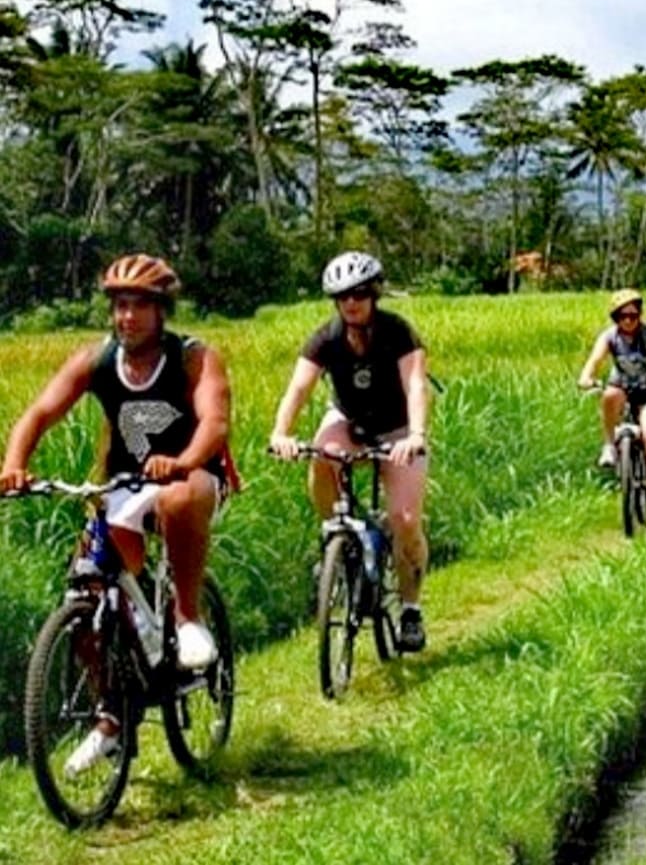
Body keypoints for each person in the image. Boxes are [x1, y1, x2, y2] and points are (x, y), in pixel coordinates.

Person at [0, 254, 233, 775]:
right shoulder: (97, 360)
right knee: (88, 591)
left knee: (178, 497)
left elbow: (215, 422)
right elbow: (39, 413)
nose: (127, 317)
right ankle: (113, 717)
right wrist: (15, 464)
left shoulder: (193, 358)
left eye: (140, 308)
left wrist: (184, 461)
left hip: (193, 480)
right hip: (124, 487)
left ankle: (188, 615)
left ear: (161, 311)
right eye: (120, 306)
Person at [269, 251, 431, 652]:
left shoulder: (397, 332)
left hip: (396, 428)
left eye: (359, 293)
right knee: (323, 456)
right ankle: (334, 536)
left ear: (373, 294)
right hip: (348, 419)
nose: (351, 302)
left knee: (405, 519)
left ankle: (410, 609)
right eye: (342, 297)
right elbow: (299, 389)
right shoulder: (326, 338)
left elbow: (415, 386)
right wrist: (281, 433)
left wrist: (415, 435)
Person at [577, 289, 646, 510]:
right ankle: (609, 446)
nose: (629, 320)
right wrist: (586, 378)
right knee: (610, 394)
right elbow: (594, 361)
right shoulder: (609, 337)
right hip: (620, 386)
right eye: (623, 316)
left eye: (634, 315)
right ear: (616, 318)